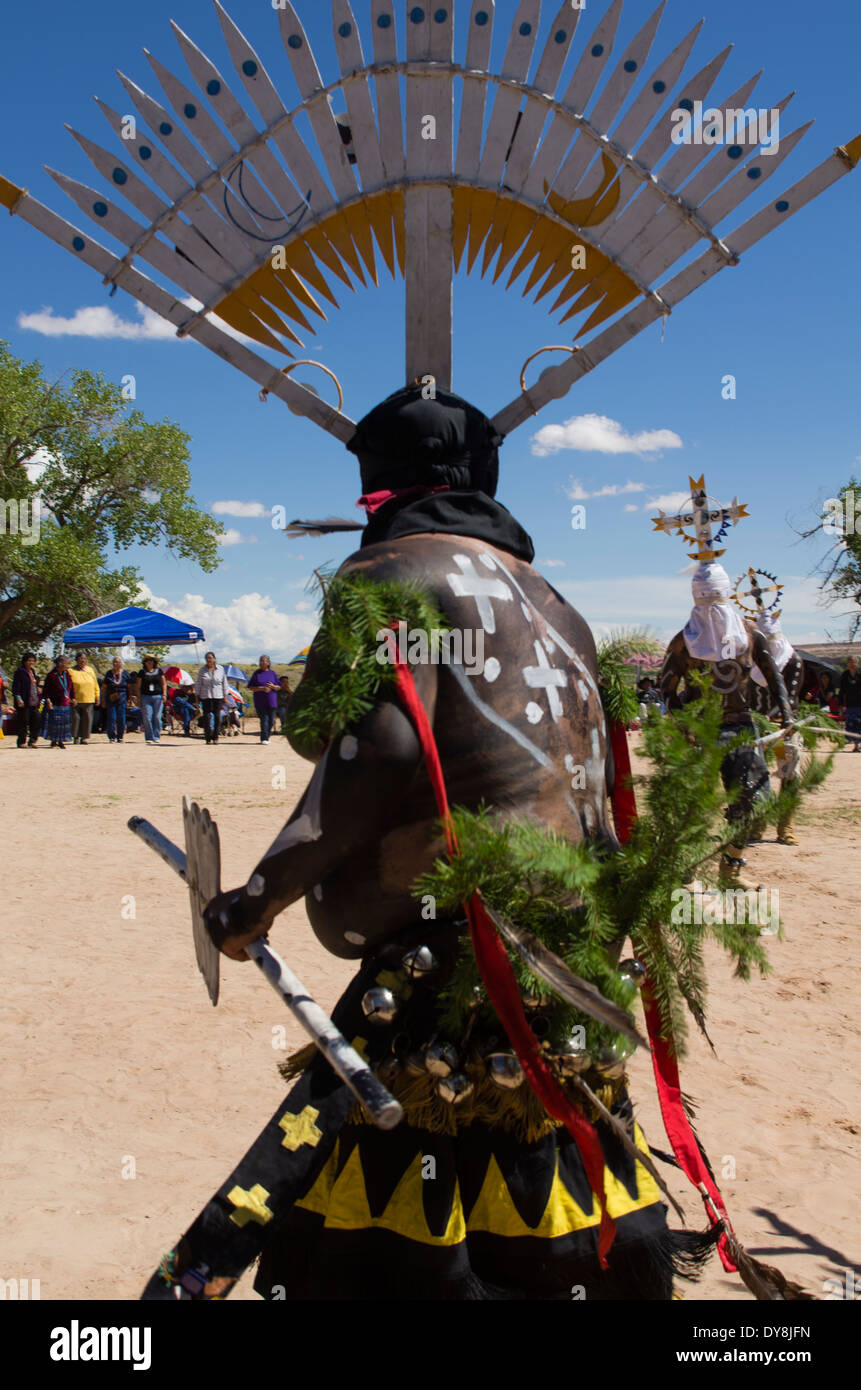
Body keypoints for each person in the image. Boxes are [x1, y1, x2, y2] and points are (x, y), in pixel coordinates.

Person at [146, 386, 705, 1305]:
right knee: (542, 1158)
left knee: (399, 1191)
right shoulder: (558, 601)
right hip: (567, 952)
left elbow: (379, 749)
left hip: (443, 950)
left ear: (377, 485)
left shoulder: (389, 575)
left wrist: (259, 897)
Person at [660, 562, 792, 883]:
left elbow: (773, 675)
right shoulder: (683, 642)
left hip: (741, 729)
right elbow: (666, 689)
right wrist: (683, 724)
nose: (712, 610)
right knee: (693, 807)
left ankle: (731, 868)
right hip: (699, 733)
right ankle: (687, 871)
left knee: (753, 800)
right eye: (706, 601)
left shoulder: (750, 635)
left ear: (727, 596)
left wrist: (788, 715)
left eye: (716, 600)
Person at [748, 610, 804, 844]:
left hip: (783, 729)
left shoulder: (793, 661)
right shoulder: (751, 662)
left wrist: (780, 722)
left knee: (788, 771)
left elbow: (788, 697)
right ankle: (758, 822)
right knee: (757, 775)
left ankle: (785, 825)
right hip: (758, 728)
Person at [42, 654, 76, 749]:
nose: (67, 665)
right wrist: (48, 701)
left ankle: (61, 741)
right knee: (55, 723)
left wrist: (73, 697)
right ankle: (54, 741)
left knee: (64, 724)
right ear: (59, 663)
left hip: (65, 703)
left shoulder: (67, 675)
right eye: (66, 663)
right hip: (55, 703)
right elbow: (46, 691)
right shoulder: (51, 675)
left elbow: (71, 687)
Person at [194, 652, 228, 744]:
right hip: (206, 696)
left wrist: (225, 696)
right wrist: (196, 697)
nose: (208, 660)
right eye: (207, 658)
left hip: (218, 696)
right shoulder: (202, 670)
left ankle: (215, 737)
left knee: (217, 717)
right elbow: (198, 684)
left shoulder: (220, 669)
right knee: (207, 717)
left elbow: (225, 683)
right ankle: (208, 737)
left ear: (214, 659)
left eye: (210, 658)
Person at [247, 655, 280, 744]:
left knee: (271, 720)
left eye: (263, 661)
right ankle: (264, 738)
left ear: (268, 663)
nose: (261, 663)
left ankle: (266, 735)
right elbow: (251, 687)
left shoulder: (272, 673)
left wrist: (273, 686)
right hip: (260, 701)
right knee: (264, 719)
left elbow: (279, 687)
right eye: (260, 661)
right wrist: (262, 688)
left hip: (272, 701)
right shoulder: (256, 673)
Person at [69, 651, 100, 744]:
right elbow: (68, 685)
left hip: (89, 698)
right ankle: (76, 737)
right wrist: (71, 697)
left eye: (84, 659)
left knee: (87, 719)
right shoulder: (71, 671)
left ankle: (84, 737)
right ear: (76, 660)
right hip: (75, 699)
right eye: (81, 658)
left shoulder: (90, 670)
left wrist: (97, 695)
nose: (83, 660)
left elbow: (95, 684)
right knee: (75, 718)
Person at [12, 653, 41, 748]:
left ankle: (33, 740)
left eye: (33, 660)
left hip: (34, 701)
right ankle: (21, 741)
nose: (31, 662)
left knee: (36, 721)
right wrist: (18, 699)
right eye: (29, 660)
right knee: (23, 722)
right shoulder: (20, 672)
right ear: (24, 661)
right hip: (24, 701)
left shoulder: (33, 672)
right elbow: (16, 687)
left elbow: (35, 684)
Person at [138, 655, 167, 745]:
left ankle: (156, 736)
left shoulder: (159, 671)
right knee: (147, 717)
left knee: (157, 717)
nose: (149, 662)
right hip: (146, 696)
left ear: (154, 662)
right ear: (145, 662)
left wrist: (165, 694)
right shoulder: (142, 672)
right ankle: (149, 737)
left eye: (151, 660)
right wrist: (139, 699)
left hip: (158, 696)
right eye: (147, 660)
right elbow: (138, 686)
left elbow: (164, 684)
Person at [102, 657, 130, 743]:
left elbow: (129, 687)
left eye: (117, 662)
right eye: (114, 662)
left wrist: (129, 698)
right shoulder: (109, 674)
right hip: (111, 698)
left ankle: (120, 736)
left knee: (121, 718)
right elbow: (104, 688)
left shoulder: (125, 673)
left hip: (122, 698)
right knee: (112, 718)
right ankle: (111, 736)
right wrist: (103, 700)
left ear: (121, 663)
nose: (115, 664)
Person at [839, 654, 861, 752]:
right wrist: (840, 704)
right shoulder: (845, 675)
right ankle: (856, 745)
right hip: (850, 704)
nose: (852, 664)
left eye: (853, 662)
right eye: (850, 662)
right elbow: (842, 691)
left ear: (858, 663)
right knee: (852, 724)